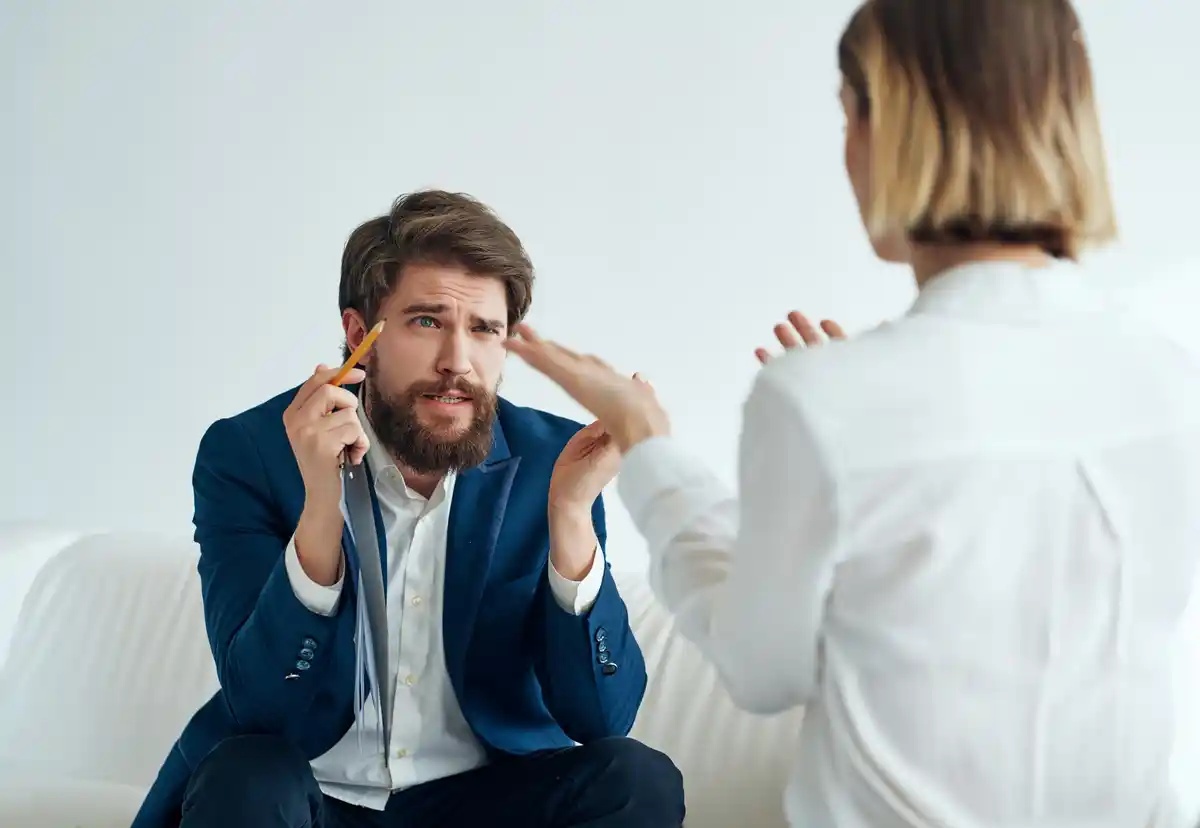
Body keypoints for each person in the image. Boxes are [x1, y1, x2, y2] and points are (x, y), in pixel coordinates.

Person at [504, 1, 1200, 827]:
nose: (847, 154)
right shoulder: (1165, 376)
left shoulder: (824, 400)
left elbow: (760, 672)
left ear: (901, 127)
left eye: (849, 115)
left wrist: (651, 447)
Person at [130, 190, 685, 828]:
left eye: (484, 330)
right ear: (357, 334)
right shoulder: (252, 452)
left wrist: (570, 514)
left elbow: (603, 719)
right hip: (309, 797)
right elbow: (263, 712)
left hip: (484, 802)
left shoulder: (555, 461)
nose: (458, 362)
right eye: (427, 321)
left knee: (637, 780)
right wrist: (320, 507)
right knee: (246, 776)